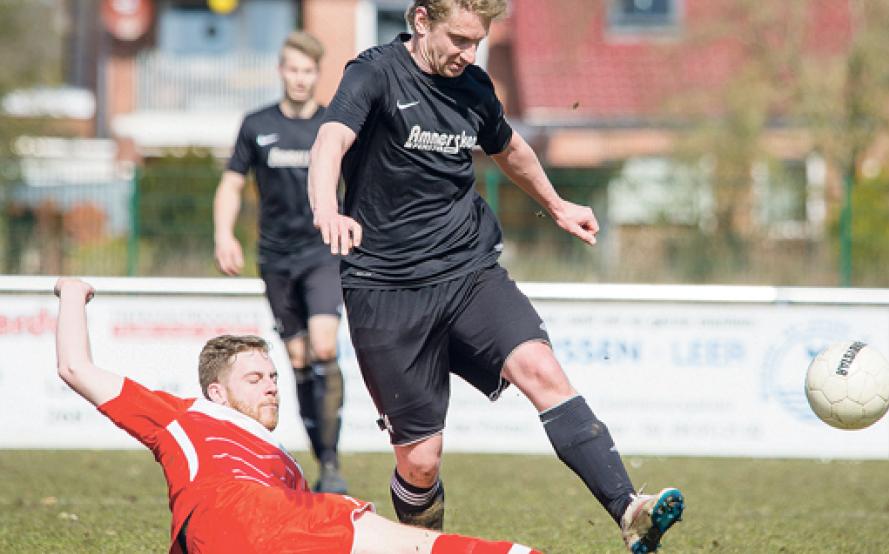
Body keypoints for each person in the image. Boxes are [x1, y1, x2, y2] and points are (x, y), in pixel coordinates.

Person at [306, 1, 684, 552]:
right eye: (458, 39)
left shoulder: (475, 87)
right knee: (420, 461)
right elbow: (330, 141)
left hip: (468, 270)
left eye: (477, 41)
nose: (468, 53)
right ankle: (422, 545)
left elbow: (510, 149)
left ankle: (630, 509)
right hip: (385, 289)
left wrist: (556, 205)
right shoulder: (374, 73)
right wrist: (325, 207)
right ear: (420, 20)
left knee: (541, 368)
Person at [53, 277, 542, 554]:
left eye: (272, 377)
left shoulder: (284, 466)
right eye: (254, 379)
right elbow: (75, 367)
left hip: (239, 531)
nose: (270, 386)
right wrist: (73, 293)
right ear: (216, 393)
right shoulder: (183, 416)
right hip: (246, 514)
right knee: (414, 548)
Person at [214, 31, 347, 493]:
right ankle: (322, 455)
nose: (300, 78)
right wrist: (223, 234)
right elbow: (232, 184)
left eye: (308, 71)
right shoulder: (256, 125)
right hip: (275, 258)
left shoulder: (333, 126)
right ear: (281, 70)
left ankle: (331, 465)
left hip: (322, 252)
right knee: (296, 360)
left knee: (324, 347)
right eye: (293, 69)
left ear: (317, 74)